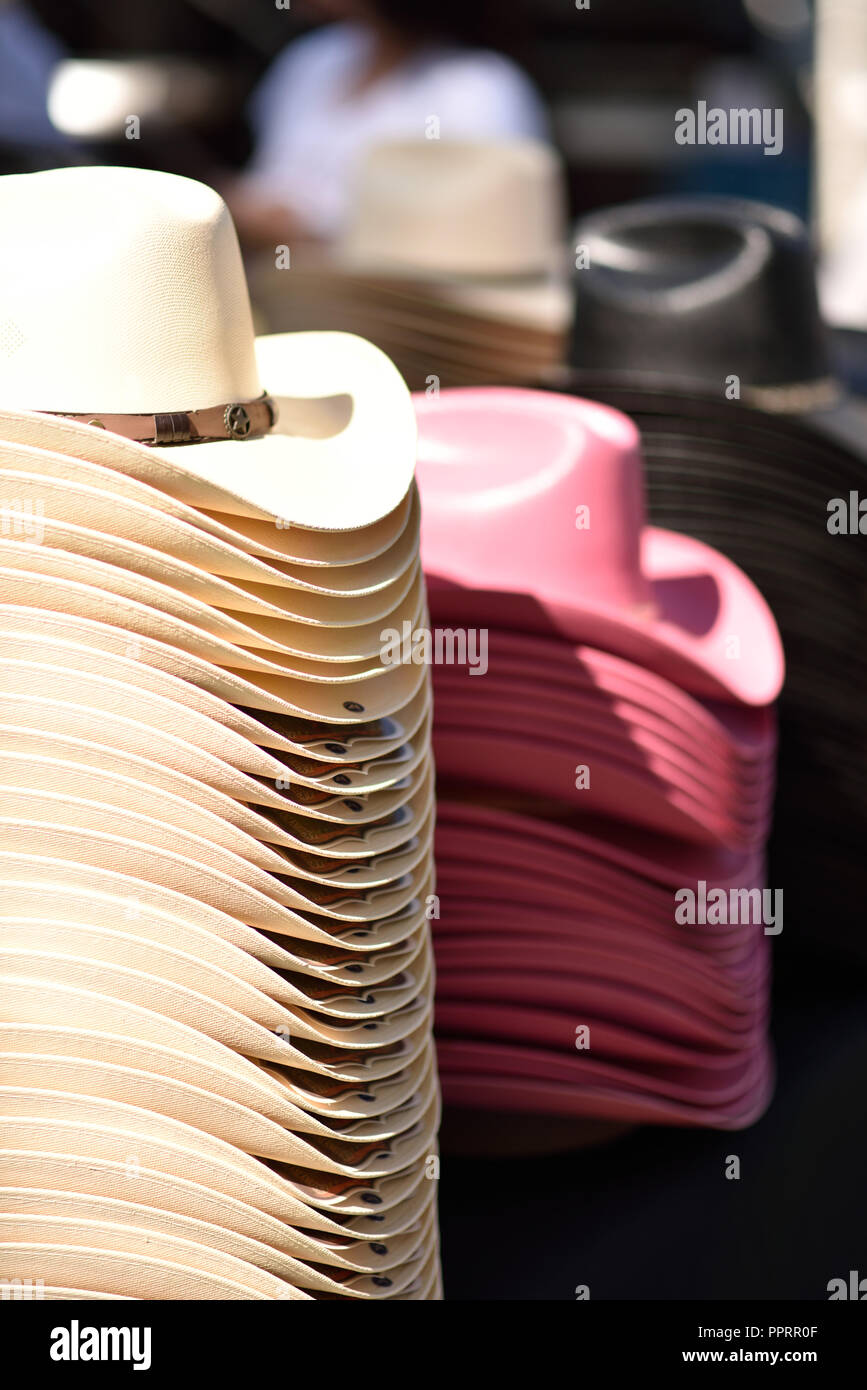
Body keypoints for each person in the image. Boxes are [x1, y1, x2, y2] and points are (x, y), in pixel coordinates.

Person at [226, 0, 549, 248]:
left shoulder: (482, 87)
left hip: (414, 303)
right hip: (287, 290)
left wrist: (313, 227)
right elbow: (269, 178)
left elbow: (485, 229)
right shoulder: (311, 58)